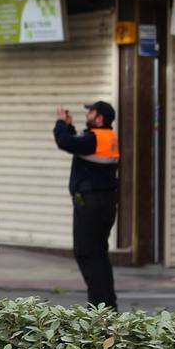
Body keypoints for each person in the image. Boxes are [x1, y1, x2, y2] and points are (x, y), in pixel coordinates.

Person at [54, 100, 119, 310]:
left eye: (91, 112)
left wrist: (61, 123)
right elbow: (79, 145)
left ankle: (99, 308)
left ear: (99, 118)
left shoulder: (93, 138)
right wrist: (71, 127)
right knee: (98, 253)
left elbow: (65, 142)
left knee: (86, 253)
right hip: (105, 204)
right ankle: (108, 305)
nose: (87, 114)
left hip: (91, 205)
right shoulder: (107, 137)